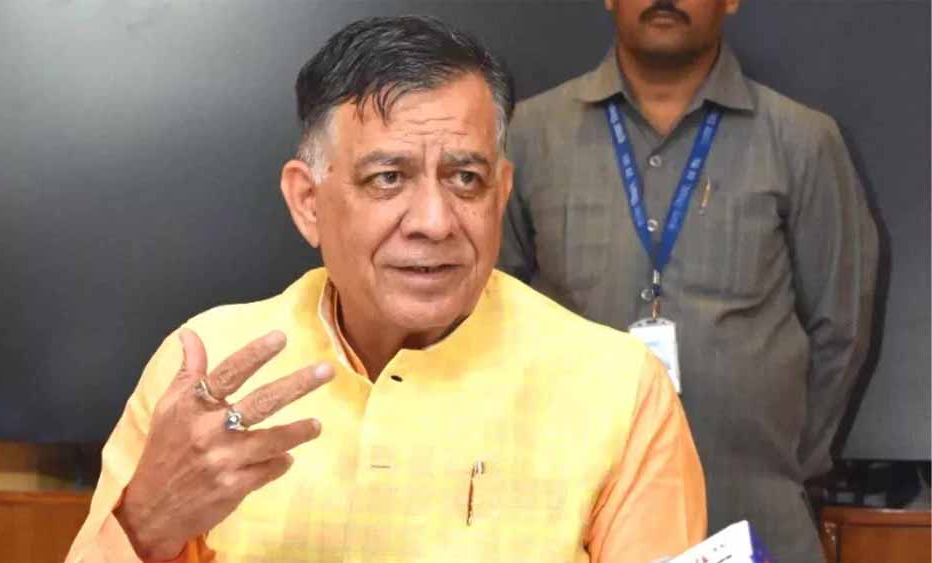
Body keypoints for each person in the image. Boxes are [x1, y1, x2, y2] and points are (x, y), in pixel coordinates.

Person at [66, 15, 706, 563]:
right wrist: (147, 523)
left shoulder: (617, 389)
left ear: (501, 193)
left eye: (465, 178)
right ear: (308, 202)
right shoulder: (203, 372)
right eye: (387, 178)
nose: (433, 222)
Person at [499, 1, 879, 561]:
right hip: (574, 518)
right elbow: (490, 314)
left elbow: (841, 328)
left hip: (755, 517)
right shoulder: (530, 135)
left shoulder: (802, 139)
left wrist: (778, 465)